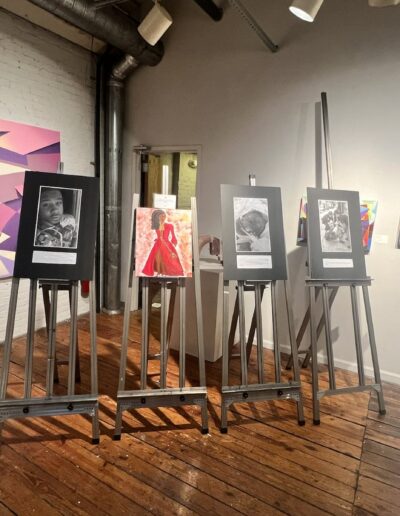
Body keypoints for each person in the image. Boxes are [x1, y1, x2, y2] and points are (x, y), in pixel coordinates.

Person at [142, 209, 184, 276]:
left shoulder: (170, 226)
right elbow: (161, 238)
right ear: (157, 217)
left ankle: (162, 272)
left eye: (164, 216)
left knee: (167, 260)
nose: (163, 218)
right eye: (161, 216)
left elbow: (173, 236)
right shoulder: (157, 226)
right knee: (158, 259)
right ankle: (159, 272)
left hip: (165, 243)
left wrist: (174, 242)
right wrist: (170, 250)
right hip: (159, 244)